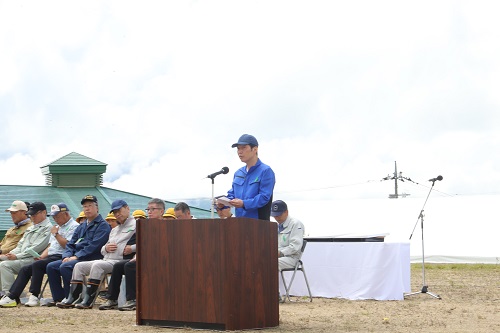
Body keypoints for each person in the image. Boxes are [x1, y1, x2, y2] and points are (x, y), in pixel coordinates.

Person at [57, 199, 136, 309]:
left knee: (97, 265)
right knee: (79, 266)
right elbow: (102, 249)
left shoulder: (136, 225)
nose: (117, 214)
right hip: (107, 258)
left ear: (127, 208)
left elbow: (144, 243)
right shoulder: (115, 229)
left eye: (120, 210)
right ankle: (74, 297)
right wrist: (106, 248)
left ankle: (89, 299)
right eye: (115, 212)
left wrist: (131, 248)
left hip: (120, 260)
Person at [0, 203, 78, 307]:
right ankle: (12, 296)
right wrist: (42, 256)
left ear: (66, 214)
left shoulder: (74, 227)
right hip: (50, 256)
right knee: (26, 269)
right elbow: (50, 246)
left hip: (63, 256)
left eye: (57, 216)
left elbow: (68, 246)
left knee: (38, 265)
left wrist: (56, 234)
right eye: (54, 216)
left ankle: (34, 295)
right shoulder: (57, 227)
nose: (55, 219)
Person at [99, 198, 164, 311]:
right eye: (148, 209)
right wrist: (136, 255)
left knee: (129, 266)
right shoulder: (143, 226)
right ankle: (112, 299)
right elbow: (138, 244)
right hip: (144, 258)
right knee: (118, 266)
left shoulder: (167, 226)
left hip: (160, 259)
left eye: (153, 209)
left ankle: (132, 300)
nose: (149, 211)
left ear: (162, 211)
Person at [46, 195, 111, 306]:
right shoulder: (81, 226)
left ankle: (73, 296)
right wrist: (66, 256)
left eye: (90, 206)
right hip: (76, 257)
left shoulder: (103, 225)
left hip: (92, 258)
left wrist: (76, 257)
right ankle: (59, 298)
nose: (87, 209)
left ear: (97, 208)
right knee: (51, 266)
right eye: (85, 206)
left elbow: (94, 246)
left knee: (65, 266)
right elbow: (70, 243)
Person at [0, 202, 52, 298]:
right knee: (3, 261)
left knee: (4, 265)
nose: (32, 217)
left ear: (44, 213)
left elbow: (36, 247)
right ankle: (6, 293)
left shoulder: (48, 228)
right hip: (21, 257)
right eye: (30, 214)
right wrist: (11, 254)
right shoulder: (31, 228)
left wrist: (16, 256)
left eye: (34, 214)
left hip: (33, 259)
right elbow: (20, 245)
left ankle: (10, 295)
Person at [224, 134, 275, 220]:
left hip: (258, 224)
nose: (240, 152)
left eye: (244, 148)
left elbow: (264, 197)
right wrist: (223, 202)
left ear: (255, 149)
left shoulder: (266, 171)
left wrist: (244, 203)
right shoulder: (238, 173)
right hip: (239, 223)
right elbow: (232, 194)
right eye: (238, 148)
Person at [270, 200, 305, 271]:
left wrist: (280, 253)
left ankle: (268, 282)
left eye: (279, 215)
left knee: (271, 263)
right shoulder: (275, 226)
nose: (276, 218)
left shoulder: (296, 224)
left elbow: (295, 247)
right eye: (274, 215)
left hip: (292, 257)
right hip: (278, 256)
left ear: (286, 212)